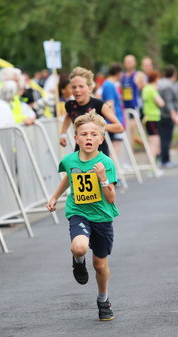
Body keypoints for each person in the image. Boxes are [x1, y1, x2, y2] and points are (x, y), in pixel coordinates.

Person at [47, 110, 119, 321]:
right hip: (78, 212)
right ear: (76, 138)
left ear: (101, 139)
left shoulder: (106, 163)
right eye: (84, 134)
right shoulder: (69, 160)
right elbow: (70, 178)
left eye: (94, 134)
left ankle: (103, 299)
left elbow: (112, 198)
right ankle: (78, 261)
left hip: (102, 216)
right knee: (79, 246)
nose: (89, 137)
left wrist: (103, 178)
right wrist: (54, 197)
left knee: (100, 265)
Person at [59, 67, 123, 156]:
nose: (77, 90)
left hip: (99, 152)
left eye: (81, 86)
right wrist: (62, 134)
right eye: (74, 87)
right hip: (80, 152)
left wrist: (98, 127)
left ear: (90, 88)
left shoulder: (99, 105)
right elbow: (68, 117)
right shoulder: (70, 105)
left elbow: (119, 127)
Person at [157, 65, 178, 168]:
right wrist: (173, 114)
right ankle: (165, 160)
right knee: (166, 138)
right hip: (166, 115)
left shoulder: (160, 83)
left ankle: (163, 158)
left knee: (163, 138)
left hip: (160, 114)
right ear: (174, 74)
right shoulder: (168, 85)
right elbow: (169, 101)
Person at [101, 63, 125, 156]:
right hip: (113, 121)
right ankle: (111, 169)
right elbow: (110, 103)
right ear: (118, 73)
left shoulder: (109, 84)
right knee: (115, 147)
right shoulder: (109, 85)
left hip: (114, 120)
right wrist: (113, 120)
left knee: (114, 146)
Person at [142, 71, 165, 160]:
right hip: (153, 117)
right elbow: (161, 103)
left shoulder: (145, 88)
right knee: (154, 142)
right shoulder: (152, 89)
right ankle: (152, 166)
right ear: (155, 79)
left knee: (152, 141)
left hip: (148, 117)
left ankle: (153, 164)